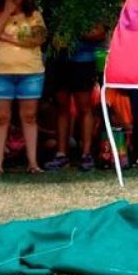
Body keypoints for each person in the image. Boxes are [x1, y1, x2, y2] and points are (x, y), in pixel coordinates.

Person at [0, 0, 48, 177]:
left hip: (30, 73)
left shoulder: (34, 15)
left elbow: (37, 39)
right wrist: (6, 13)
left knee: (29, 117)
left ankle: (33, 163)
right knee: (1, 119)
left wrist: (5, 37)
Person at [44, 24, 107, 171]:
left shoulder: (86, 6)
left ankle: (86, 154)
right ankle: (61, 155)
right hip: (58, 59)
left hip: (83, 59)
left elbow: (99, 33)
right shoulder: (53, 4)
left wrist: (72, 32)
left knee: (84, 107)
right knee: (62, 107)